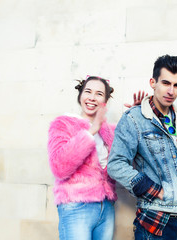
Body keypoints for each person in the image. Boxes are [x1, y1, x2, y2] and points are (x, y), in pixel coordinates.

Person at [107, 55, 177, 240]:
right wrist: (155, 190)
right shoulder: (134, 118)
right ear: (153, 82)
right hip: (156, 220)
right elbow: (116, 164)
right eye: (166, 83)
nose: (171, 91)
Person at [47, 75, 145, 240]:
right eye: (88, 91)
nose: (92, 97)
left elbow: (130, 157)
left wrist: (135, 117)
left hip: (106, 208)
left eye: (99, 94)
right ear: (80, 95)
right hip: (76, 207)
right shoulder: (63, 124)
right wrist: (92, 130)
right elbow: (59, 167)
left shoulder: (110, 131)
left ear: (105, 100)